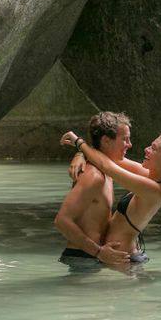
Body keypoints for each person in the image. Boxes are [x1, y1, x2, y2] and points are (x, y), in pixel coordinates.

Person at [60, 128, 161, 265]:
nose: (146, 149)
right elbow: (112, 159)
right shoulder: (151, 177)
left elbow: (107, 167)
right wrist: (80, 154)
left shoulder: (154, 190)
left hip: (123, 260)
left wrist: (78, 142)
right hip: (120, 259)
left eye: (153, 149)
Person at [53, 112, 133, 269]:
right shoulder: (94, 176)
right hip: (84, 259)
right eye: (124, 139)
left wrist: (80, 152)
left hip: (90, 258)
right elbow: (62, 221)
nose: (129, 144)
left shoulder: (106, 171)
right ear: (106, 141)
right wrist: (98, 252)